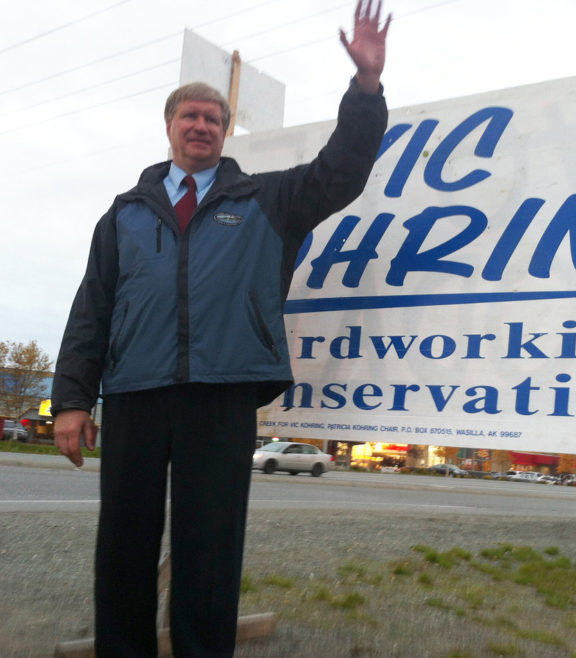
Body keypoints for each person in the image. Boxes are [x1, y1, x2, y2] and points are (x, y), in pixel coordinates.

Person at [51, 2, 390, 655]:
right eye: (190, 116)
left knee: (209, 550)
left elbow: (342, 169)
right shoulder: (122, 216)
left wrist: (366, 87)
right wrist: (71, 399)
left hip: (223, 394)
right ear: (170, 127)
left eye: (213, 118)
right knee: (123, 543)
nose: (201, 125)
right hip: (134, 394)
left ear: (226, 131)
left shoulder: (268, 200)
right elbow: (91, 309)